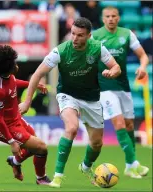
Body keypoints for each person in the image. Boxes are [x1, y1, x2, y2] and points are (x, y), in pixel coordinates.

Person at [19, 17, 121, 188]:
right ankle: (58, 177)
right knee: (72, 128)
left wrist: (113, 72)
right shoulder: (60, 51)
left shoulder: (97, 48)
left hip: (91, 98)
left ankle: (86, 166)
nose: (74, 38)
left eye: (80, 35)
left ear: (89, 36)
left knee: (96, 144)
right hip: (68, 95)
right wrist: (27, 101)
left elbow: (116, 66)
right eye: (73, 33)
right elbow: (36, 75)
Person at [92, 6, 149, 178]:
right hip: (104, 87)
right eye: (107, 16)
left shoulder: (127, 34)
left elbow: (143, 55)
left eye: (113, 16)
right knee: (119, 124)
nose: (110, 19)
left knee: (130, 125)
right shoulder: (95, 36)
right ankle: (133, 165)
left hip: (123, 86)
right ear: (103, 19)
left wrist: (143, 67)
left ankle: (130, 164)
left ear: (118, 18)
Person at [0, 45, 51, 185]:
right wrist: (12, 142)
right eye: (14, 62)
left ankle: (14, 161)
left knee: (34, 147)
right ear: (6, 66)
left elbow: (13, 82)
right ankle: (41, 178)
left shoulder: (4, 74)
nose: (16, 65)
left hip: (16, 118)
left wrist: (33, 84)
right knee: (41, 147)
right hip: (4, 126)